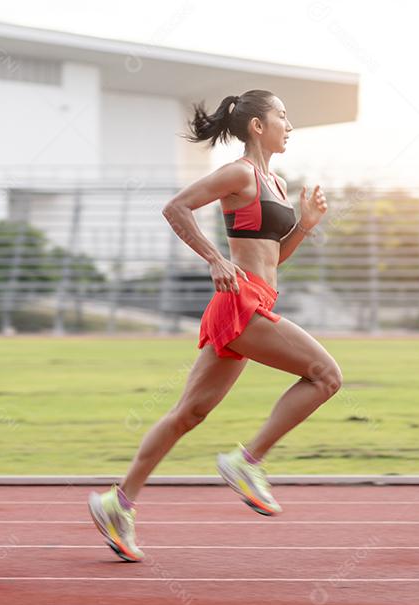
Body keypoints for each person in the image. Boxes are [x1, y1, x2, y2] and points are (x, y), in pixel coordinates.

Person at [88, 89, 341, 562]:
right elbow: (176, 207)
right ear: (257, 127)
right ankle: (247, 462)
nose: (290, 125)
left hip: (252, 300)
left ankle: (117, 503)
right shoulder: (239, 173)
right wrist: (213, 259)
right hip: (241, 303)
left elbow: (273, 257)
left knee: (189, 413)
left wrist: (304, 225)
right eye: (282, 116)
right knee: (327, 377)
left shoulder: (277, 184)